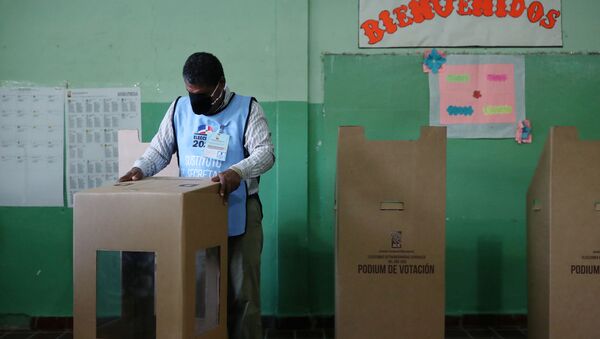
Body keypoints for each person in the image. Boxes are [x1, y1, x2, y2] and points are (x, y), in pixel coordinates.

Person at [119, 52, 275, 339]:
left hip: (239, 212)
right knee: (202, 295)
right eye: (190, 93)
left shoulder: (248, 109)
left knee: (243, 293)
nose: (195, 100)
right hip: (196, 215)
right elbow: (159, 149)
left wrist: (237, 172)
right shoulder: (179, 109)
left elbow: (266, 154)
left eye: (202, 94)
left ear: (221, 85)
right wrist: (140, 168)